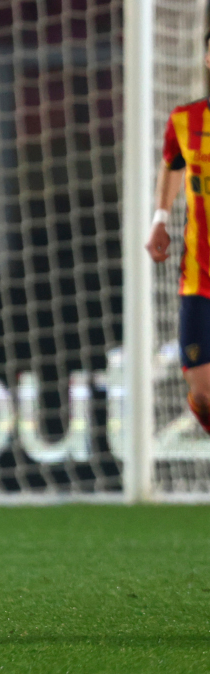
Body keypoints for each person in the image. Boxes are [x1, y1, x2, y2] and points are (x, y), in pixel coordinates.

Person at [146, 29, 210, 435]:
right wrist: (160, 220)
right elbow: (172, 165)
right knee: (203, 393)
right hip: (199, 279)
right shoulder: (185, 120)